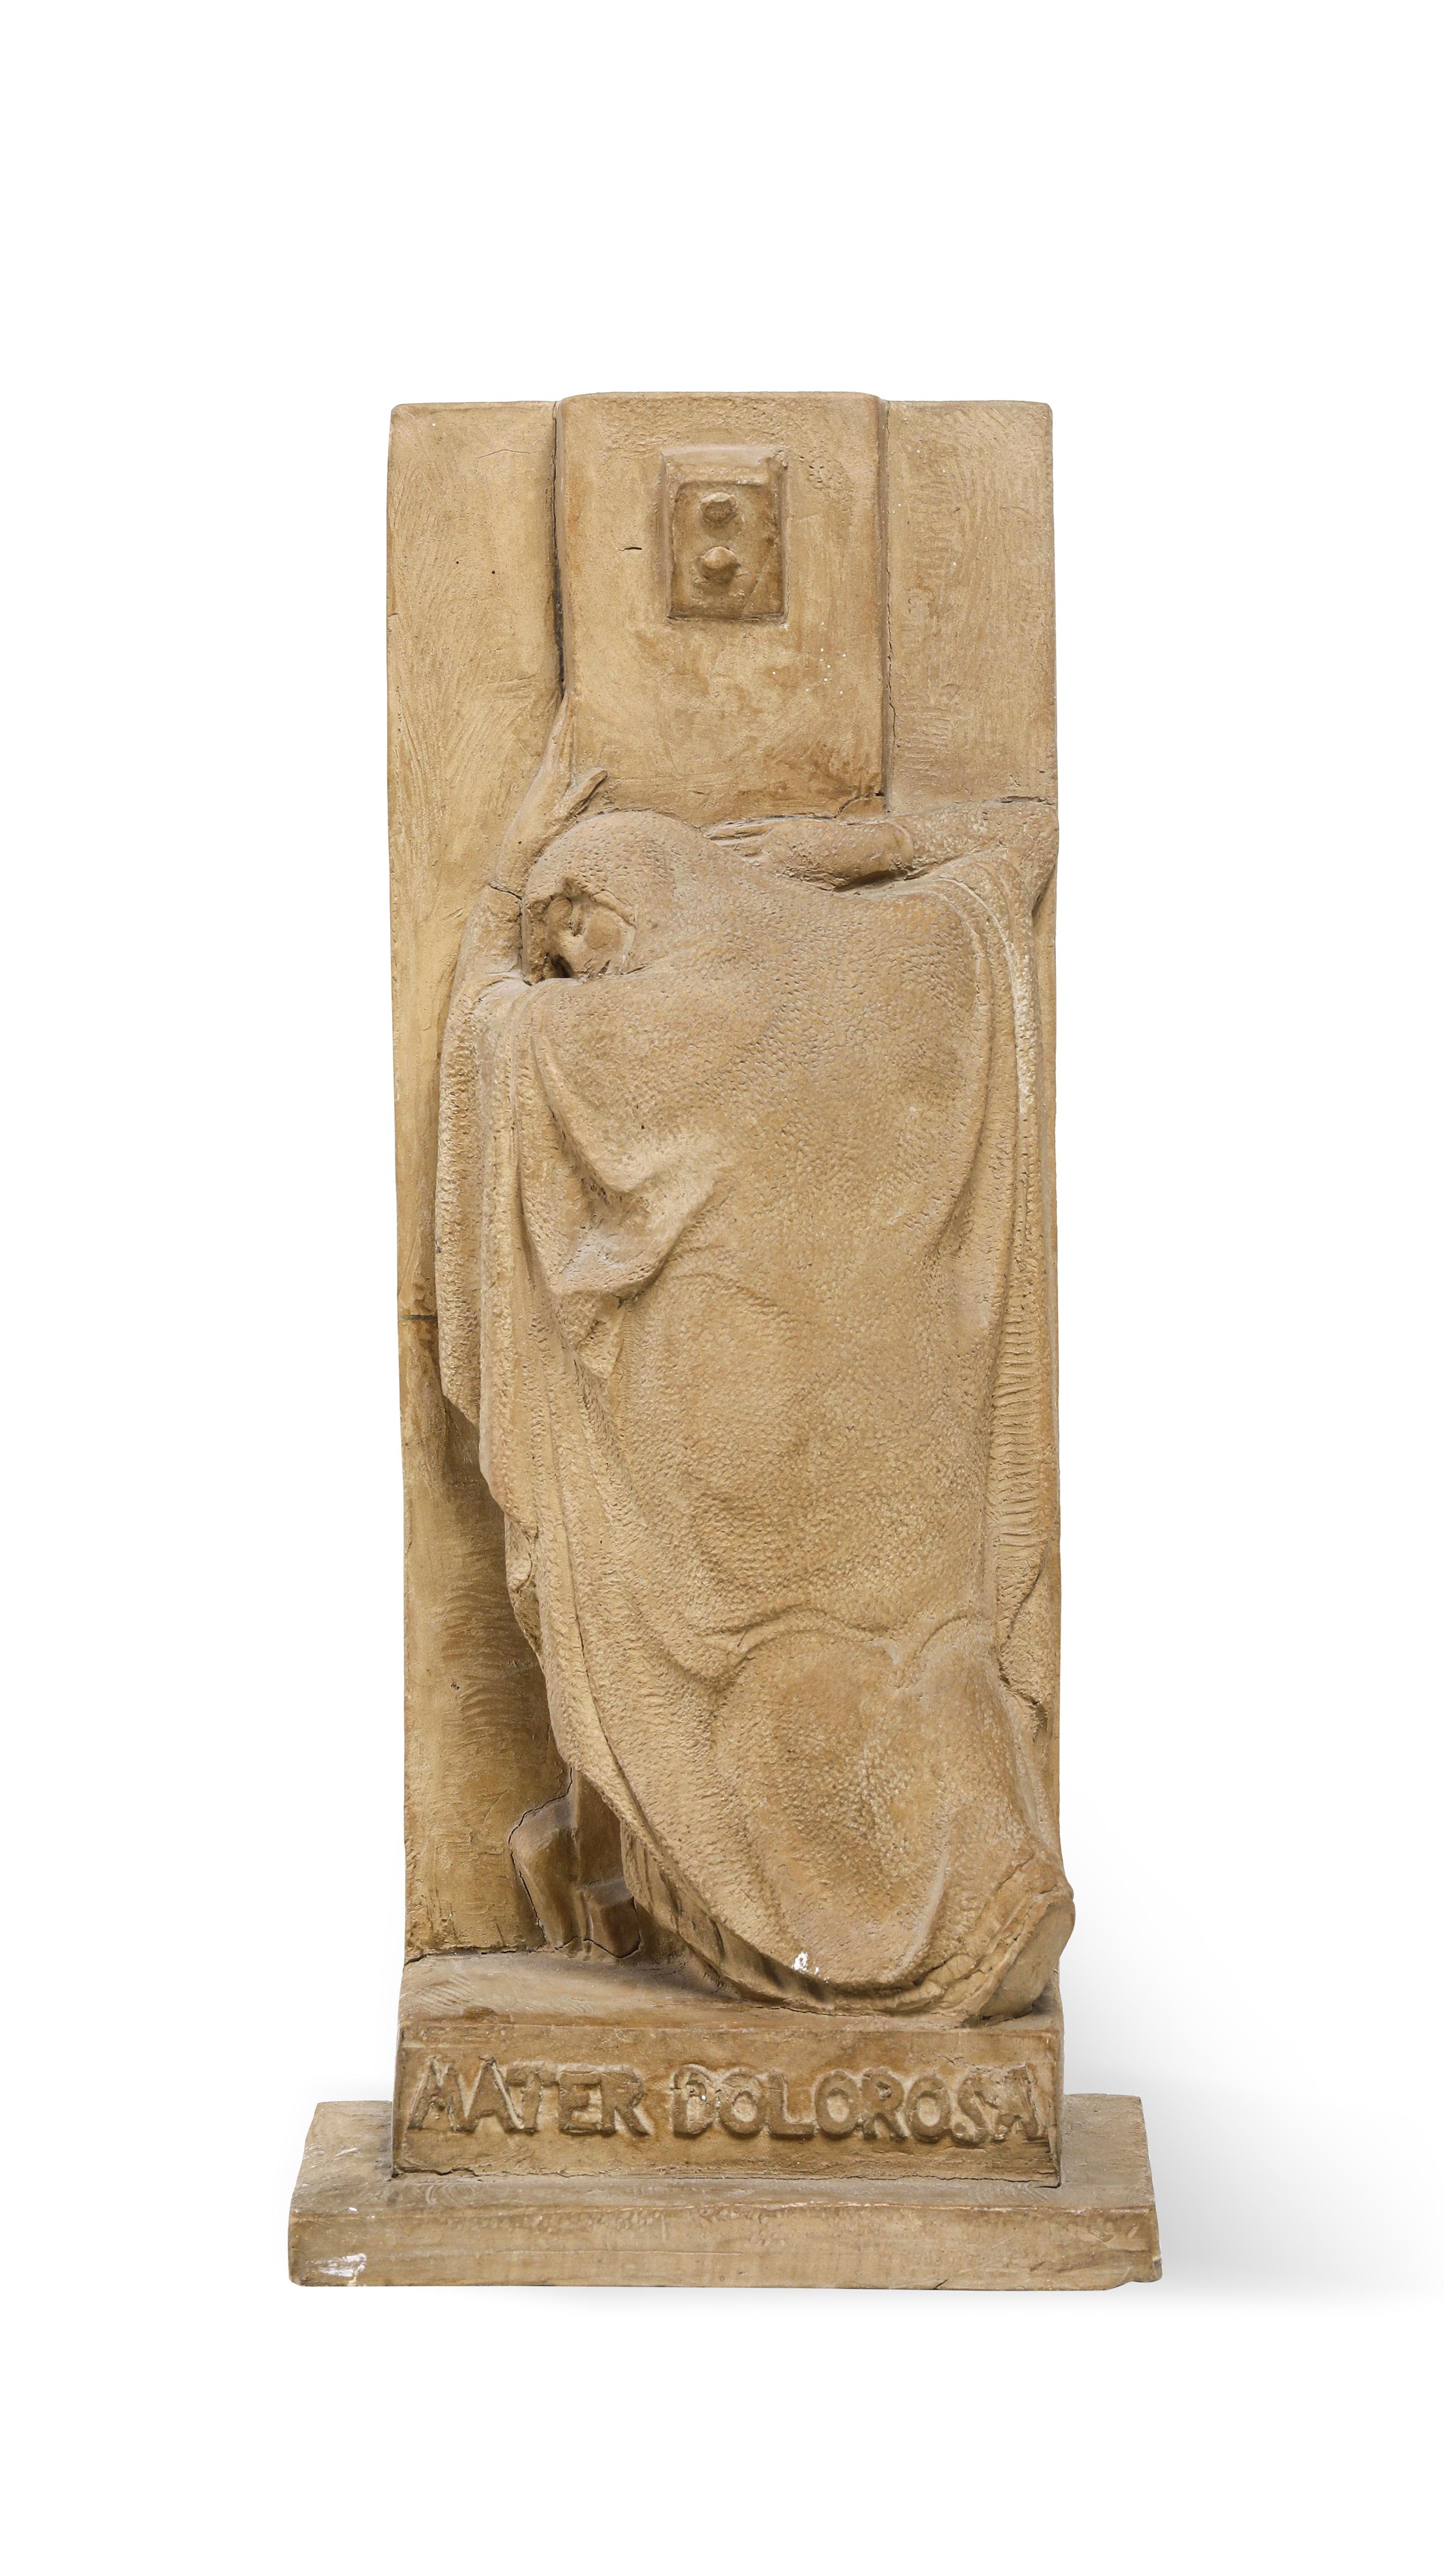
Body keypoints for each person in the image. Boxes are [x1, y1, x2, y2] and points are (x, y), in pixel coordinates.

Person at [435, 702, 1071, 2021]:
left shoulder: (618, 1035)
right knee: (864, 1679)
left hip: (740, 1489)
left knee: (751, 1684)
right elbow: (1014, 849)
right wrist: (831, 855)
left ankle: (852, 1926)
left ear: (626, 898)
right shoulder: (894, 957)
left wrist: (498, 888)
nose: (566, 973)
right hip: (865, 1468)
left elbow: (491, 1036)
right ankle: (953, 1901)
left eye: (572, 935)